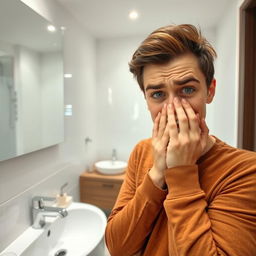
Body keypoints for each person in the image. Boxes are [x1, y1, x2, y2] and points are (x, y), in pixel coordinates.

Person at [105, 24, 256, 256]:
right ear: (146, 101)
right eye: (157, 94)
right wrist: (156, 173)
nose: (173, 108)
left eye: (187, 90)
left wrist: (182, 172)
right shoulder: (142, 151)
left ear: (210, 91)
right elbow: (118, 247)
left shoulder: (246, 171)